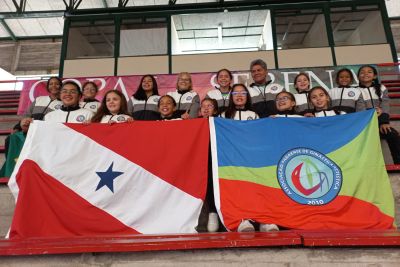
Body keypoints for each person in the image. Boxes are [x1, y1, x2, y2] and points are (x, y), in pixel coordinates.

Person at [358, 65, 400, 164]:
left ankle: (398, 162)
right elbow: (360, 108)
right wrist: (373, 113)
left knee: (393, 134)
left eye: (369, 72)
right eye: (362, 72)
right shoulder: (355, 90)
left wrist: (384, 122)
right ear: (358, 77)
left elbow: (385, 105)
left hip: (380, 121)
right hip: (365, 125)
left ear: (375, 76)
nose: (366, 74)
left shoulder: (382, 88)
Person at [198, 98, 220, 232]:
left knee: (214, 184)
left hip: (218, 159)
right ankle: (209, 214)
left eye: (210, 106)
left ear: (215, 110)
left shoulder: (222, 124)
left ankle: (214, 214)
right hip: (200, 160)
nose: (206, 109)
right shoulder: (193, 123)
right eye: (203, 106)